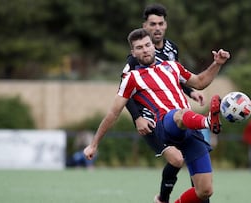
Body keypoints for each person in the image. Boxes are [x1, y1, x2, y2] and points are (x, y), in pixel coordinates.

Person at [84, 28, 230, 202]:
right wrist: (93, 144)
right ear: (133, 52)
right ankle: (208, 121)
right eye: (139, 47)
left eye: (147, 45)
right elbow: (113, 113)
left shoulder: (172, 66)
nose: (145, 50)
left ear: (153, 46)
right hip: (165, 124)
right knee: (179, 114)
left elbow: (199, 82)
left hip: (190, 129)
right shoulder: (132, 78)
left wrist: (218, 63)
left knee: (205, 190)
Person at [122, 4, 206, 203]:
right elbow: (124, 92)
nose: (157, 28)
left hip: (175, 112)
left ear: (166, 25)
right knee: (177, 159)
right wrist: (137, 117)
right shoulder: (137, 56)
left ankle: (173, 198)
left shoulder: (172, 49)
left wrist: (191, 91)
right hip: (153, 118)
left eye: (160, 23)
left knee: (190, 157)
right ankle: (164, 198)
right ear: (145, 26)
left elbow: (172, 78)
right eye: (153, 24)